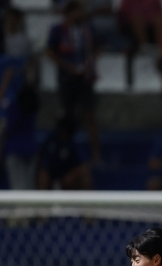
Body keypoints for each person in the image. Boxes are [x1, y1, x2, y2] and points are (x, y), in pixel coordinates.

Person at [46, 1, 100, 163]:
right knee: (66, 117)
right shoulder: (58, 30)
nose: (80, 15)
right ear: (68, 14)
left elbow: (99, 46)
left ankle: (96, 155)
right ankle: (64, 153)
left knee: (89, 116)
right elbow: (50, 52)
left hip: (85, 78)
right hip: (67, 79)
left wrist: (90, 63)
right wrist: (68, 67)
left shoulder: (88, 29)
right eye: (76, 12)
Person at [0, 66, 39, 190]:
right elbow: (31, 91)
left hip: (15, 150)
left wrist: (6, 80)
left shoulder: (13, 108)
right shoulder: (33, 109)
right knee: (29, 187)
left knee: (18, 188)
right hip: (30, 150)